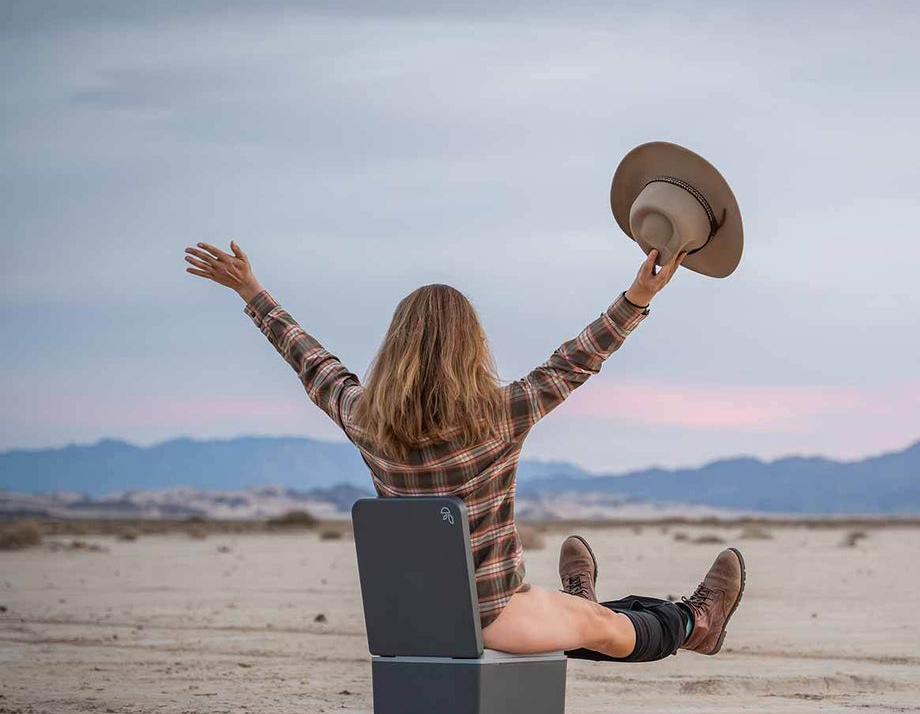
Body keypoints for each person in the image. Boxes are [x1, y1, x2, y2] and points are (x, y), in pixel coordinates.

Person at [182, 240, 745, 663]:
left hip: (416, 619)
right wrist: (639, 296)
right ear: (473, 347)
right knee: (605, 627)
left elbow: (311, 361)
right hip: (496, 617)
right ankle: (699, 622)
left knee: (577, 613)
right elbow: (576, 360)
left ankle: (578, 599)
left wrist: (252, 293)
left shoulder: (364, 419)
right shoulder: (500, 416)